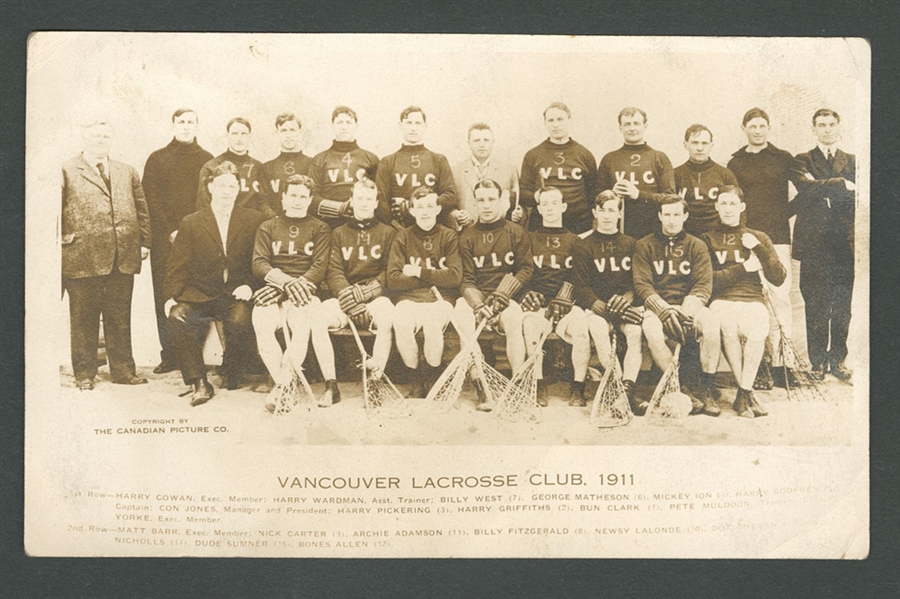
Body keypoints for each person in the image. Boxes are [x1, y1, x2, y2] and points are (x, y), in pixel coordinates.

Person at [164, 162, 267, 405]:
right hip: (200, 293)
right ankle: (199, 382)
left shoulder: (253, 220)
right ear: (210, 187)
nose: (226, 190)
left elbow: (260, 259)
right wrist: (170, 296)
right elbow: (177, 265)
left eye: (232, 185)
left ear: (239, 188)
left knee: (241, 318)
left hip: (234, 293)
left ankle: (232, 370)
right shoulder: (192, 221)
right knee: (177, 316)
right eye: (221, 185)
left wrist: (250, 286)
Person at [61, 118, 152, 390]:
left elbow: (142, 207)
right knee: (83, 318)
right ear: (84, 137)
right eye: (95, 136)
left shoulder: (127, 171)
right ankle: (85, 374)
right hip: (82, 256)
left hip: (122, 256)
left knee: (119, 317)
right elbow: (54, 212)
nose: (101, 140)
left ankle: (124, 371)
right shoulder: (67, 170)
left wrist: (144, 241)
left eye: (105, 136)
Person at [250, 174, 337, 408]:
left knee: (301, 327)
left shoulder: (320, 228)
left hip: (304, 293)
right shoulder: (268, 227)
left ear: (310, 200)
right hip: (275, 290)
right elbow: (259, 263)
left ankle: (282, 388)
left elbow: (318, 267)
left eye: (303, 196)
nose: (297, 201)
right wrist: (284, 284)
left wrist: (290, 289)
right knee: (261, 322)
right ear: (284, 198)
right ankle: (285, 385)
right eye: (293, 196)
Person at [726, 108, 797, 388]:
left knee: (780, 298)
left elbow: (804, 191)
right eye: (752, 126)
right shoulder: (736, 162)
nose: (758, 130)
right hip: (745, 239)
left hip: (777, 237)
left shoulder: (783, 158)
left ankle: (784, 364)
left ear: (769, 128)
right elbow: (732, 199)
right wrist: (741, 233)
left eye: (762, 126)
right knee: (752, 301)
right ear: (744, 128)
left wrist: (783, 214)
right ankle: (760, 365)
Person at [701, 186, 786, 417]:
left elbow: (778, 278)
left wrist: (758, 248)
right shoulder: (707, 239)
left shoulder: (758, 237)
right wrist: (743, 268)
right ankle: (745, 394)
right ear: (716, 207)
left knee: (758, 330)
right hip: (722, 299)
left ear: (742, 207)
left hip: (752, 299)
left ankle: (743, 392)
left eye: (732, 204)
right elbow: (708, 281)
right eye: (723, 204)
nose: (728, 209)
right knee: (727, 328)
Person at [632, 194, 720, 415]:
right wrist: (664, 311)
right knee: (651, 330)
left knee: (711, 324)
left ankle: (706, 389)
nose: (672, 220)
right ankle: (678, 386)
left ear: (685, 216)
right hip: (657, 307)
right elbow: (642, 285)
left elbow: (703, 284)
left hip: (688, 306)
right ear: (660, 216)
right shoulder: (644, 245)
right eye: (667, 214)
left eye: (677, 214)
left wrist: (685, 311)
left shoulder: (697, 245)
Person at [142, 108, 214, 374]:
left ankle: (191, 357)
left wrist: (191, 232)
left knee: (195, 293)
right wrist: (171, 230)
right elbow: (151, 199)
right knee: (166, 293)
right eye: (181, 122)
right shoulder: (158, 158)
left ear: (197, 126)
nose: (186, 127)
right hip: (165, 238)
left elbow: (208, 200)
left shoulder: (208, 160)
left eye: (191, 122)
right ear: (173, 125)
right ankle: (169, 355)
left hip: (197, 239)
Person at [791, 108, 856, 382]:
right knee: (815, 303)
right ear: (813, 128)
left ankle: (837, 360)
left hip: (844, 243)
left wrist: (819, 189)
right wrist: (842, 184)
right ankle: (817, 362)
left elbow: (860, 196)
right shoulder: (802, 159)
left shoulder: (854, 160)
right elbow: (804, 189)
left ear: (839, 127)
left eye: (831, 124)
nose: (827, 129)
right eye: (821, 125)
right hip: (813, 243)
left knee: (842, 305)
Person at [457, 179, 533, 409]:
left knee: (514, 319)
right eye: (481, 200)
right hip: (479, 298)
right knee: (462, 319)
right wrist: (478, 305)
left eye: (492, 199)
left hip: (507, 297)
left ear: (502, 201)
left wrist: (503, 295)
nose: (487, 205)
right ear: (475, 203)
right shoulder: (467, 236)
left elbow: (526, 269)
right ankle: (481, 386)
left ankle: (516, 383)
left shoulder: (516, 232)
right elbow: (466, 279)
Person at [573, 191, 645, 414]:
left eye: (612, 210)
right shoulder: (583, 245)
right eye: (602, 210)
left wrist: (626, 301)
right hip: (599, 307)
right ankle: (620, 389)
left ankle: (627, 389)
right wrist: (601, 307)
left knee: (635, 333)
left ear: (620, 213)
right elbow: (581, 286)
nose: (606, 215)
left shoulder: (632, 244)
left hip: (625, 307)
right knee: (597, 329)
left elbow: (639, 281)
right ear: (595, 212)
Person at [386, 186, 463, 397]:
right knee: (400, 322)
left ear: (438, 209)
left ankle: (433, 375)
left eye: (430, 206)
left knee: (431, 325)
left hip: (440, 300)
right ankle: (416, 378)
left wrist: (418, 272)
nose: (425, 211)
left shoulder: (449, 236)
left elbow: (455, 277)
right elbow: (393, 280)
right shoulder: (403, 236)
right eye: (420, 207)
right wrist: (435, 274)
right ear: (412, 210)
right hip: (409, 300)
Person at [517, 187, 589, 407]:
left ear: (563, 207)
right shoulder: (528, 238)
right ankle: (538, 386)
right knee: (530, 328)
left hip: (566, 305)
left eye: (554, 203)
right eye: (545, 204)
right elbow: (521, 271)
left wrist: (566, 298)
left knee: (581, 330)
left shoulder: (575, 240)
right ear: (539, 208)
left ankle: (578, 388)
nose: (549, 208)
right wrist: (527, 294)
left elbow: (580, 278)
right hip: (539, 305)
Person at [323, 178, 397, 380]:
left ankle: (376, 379)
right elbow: (334, 270)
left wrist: (368, 292)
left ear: (375, 203)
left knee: (387, 318)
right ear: (352, 201)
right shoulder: (338, 233)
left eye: (369, 199)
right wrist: (350, 299)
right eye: (359, 198)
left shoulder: (388, 233)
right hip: (346, 300)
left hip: (375, 299)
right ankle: (331, 383)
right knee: (316, 318)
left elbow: (390, 271)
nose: (364, 203)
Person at [597, 107, 676, 239]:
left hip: (653, 231)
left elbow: (670, 198)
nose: (632, 128)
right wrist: (611, 193)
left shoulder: (659, 157)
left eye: (636, 123)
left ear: (645, 126)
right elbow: (597, 196)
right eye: (627, 124)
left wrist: (639, 194)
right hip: (619, 232)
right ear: (620, 128)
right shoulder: (609, 159)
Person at [519, 102, 597, 234]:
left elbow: (593, 192)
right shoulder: (533, 155)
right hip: (542, 227)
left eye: (560, 119)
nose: (555, 124)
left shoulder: (584, 154)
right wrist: (536, 197)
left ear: (569, 120)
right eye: (551, 120)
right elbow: (523, 193)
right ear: (545, 123)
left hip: (579, 227)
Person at [375, 106, 458, 230]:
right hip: (399, 229)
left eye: (418, 123)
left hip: (433, 229)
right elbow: (381, 203)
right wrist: (397, 229)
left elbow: (451, 196)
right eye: (409, 123)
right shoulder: (388, 162)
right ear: (400, 125)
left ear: (425, 126)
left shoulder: (438, 160)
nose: (413, 128)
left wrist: (420, 205)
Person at [308, 106, 380, 228]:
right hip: (329, 225)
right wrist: (338, 208)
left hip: (363, 223)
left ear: (356, 126)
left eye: (349, 122)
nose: (344, 127)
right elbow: (311, 196)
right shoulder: (320, 159)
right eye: (339, 122)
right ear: (332, 125)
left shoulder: (370, 159)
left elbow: (379, 194)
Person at [196, 117, 271, 216]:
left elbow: (263, 203)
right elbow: (203, 206)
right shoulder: (212, 166)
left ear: (249, 136)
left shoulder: (258, 167)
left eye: (243, 134)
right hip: (221, 224)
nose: (239, 139)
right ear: (227, 136)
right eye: (234, 133)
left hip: (252, 226)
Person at [674, 124, 739, 237]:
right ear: (685, 145)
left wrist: (738, 233)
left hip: (717, 235)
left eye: (704, 143)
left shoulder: (725, 174)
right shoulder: (675, 174)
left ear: (711, 146)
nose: (700, 148)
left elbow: (738, 208)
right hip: (685, 236)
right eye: (695, 143)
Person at [452, 122, 521, 229]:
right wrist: (456, 215)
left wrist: (518, 213)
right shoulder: (455, 171)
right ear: (468, 143)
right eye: (476, 140)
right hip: (467, 234)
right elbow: (448, 207)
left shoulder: (509, 170)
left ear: (493, 143)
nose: (482, 144)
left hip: (500, 234)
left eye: (486, 140)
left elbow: (518, 204)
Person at [262, 113, 313, 216]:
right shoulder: (267, 167)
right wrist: (275, 220)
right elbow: (262, 201)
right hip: (276, 224)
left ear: (300, 132)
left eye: (292, 130)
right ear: (277, 133)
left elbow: (314, 197)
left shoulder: (312, 163)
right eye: (284, 131)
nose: (288, 135)